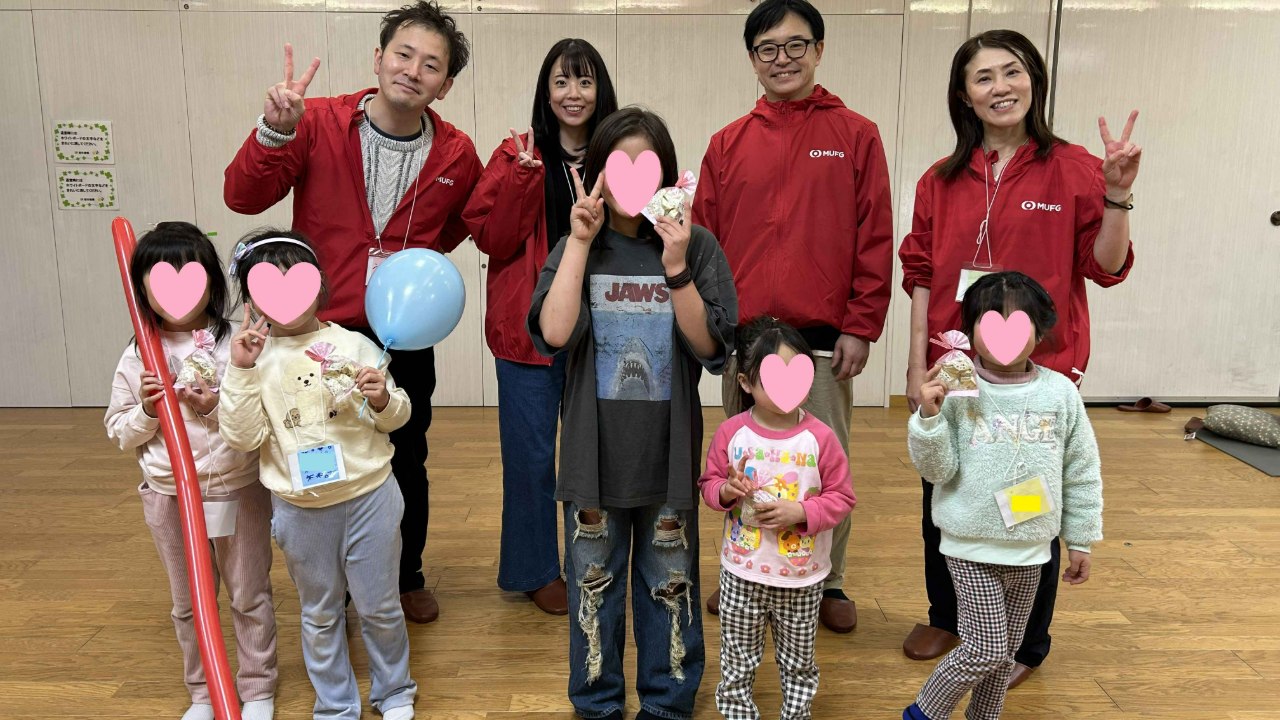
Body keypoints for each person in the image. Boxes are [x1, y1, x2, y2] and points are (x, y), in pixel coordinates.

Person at [223, 0, 483, 624]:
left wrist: (406, 268)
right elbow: (242, 196)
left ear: (445, 85)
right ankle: (331, 582)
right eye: (403, 54)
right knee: (314, 441)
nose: (412, 71)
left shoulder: (457, 153)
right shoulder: (316, 122)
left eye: (431, 65)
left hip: (401, 335)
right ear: (378, 57)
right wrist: (274, 131)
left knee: (406, 451)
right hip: (315, 328)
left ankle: (405, 573)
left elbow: (454, 230)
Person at [897, 29, 1140, 686]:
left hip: (1040, 371)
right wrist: (916, 366)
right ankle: (950, 615)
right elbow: (921, 277)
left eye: (1013, 72)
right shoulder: (939, 180)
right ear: (964, 95)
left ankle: (1025, 643)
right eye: (983, 77)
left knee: (1026, 500)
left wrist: (1117, 196)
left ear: (1034, 80)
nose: (1000, 87)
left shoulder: (1075, 168)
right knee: (945, 487)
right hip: (957, 366)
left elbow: (1106, 265)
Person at [528, 107, 737, 720]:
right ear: (595, 172)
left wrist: (676, 267)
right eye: (617, 164)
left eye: (646, 165)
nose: (631, 177)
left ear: (666, 175)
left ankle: (668, 702)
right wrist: (580, 242)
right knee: (592, 591)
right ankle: (597, 703)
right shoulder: (578, 246)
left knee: (670, 587)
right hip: (592, 460)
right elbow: (554, 332)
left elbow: (711, 346)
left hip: (667, 458)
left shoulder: (695, 246)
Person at [693, 0, 894, 634]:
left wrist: (862, 323)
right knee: (745, 463)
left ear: (819, 50)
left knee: (821, 464)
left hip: (823, 340)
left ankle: (827, 580)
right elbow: (704, 242)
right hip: (746, 342)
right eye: (767, 49)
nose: (782, 59)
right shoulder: (727, 143)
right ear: (752, 58)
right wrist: (716, 328)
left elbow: (875, 236)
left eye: (795, 45)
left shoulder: (856, 135)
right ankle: (745, 570)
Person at [219, 230, 418, 720]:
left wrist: (382, 399)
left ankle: (395, 691)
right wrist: (240, 371)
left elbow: (397, 416)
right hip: (300, 509)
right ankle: (334, 703)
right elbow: (243, 438)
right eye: (268, 284)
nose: (286, 295)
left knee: (380, 606)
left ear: (319, 285)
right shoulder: (250, 361)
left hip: (370, 495)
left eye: (296, 279)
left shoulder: (354, 344)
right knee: (320, 612)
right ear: (250, 298)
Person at [461, 38, 619, 615]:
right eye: (561, 81)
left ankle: (594, 560)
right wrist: (523, 178)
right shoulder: (515, 154)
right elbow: (492, 239)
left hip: (599, 330)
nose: (573, 93)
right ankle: (533, 570)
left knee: (594, 455)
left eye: (585, 81)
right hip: (526, 332)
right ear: (545, 92)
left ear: (601, 90)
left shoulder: (620, 158)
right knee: (529, 460)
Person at [902, 271, 1104, 720]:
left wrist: (1081, 539)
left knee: (1006, 653)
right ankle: (922, 713)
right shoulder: (955, 389)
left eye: (1020, 323)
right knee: (985, 649)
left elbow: (1081, 470)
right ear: (970, 330)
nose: (1004, 336)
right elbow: (937, 470)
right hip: (970, 544)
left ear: (1040, 331)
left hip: (1032, 547)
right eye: (990, 322)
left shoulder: (1060, 392)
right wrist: (929, 420)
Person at [105, 222, 277, 720]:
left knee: (248, 594)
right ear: (141, 289)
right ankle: (203, 692)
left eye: (189, 276)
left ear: (211, 282)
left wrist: (215, 406)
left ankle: (258, 687)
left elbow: (260, 422)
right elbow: (120, 432)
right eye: (160, 280)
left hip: (238, 488)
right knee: (188, 602)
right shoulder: (138, 355)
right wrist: (148, 411)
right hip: (169, 495)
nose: (176, 293)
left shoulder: (236, 344)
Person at [699, 317, 856, 720]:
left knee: (798, 662)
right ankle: (738, 712)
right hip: (741, 572)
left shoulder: (820, 438)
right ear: (745, 383)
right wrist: (726, 490)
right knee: (737, 659)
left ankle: (796, 713)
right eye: (772, 380)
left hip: (802, 576)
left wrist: (802, 512)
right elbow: (709, 485)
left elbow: (842, 498)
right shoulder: (732, 433)